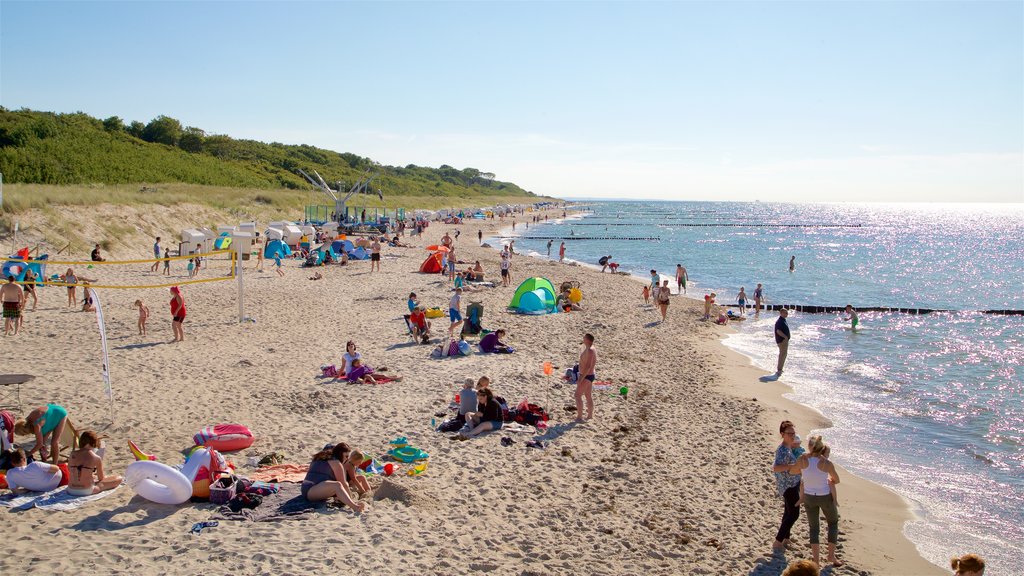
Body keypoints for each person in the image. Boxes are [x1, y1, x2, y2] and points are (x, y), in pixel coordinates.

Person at [797, 435, 842, 568]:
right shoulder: (825, 463)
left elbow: (795, 471)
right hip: (824, 496)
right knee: (833, 523)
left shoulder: (803, 459)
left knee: (814, 528)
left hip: (809, 497)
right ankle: (831, 555)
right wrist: (830, 481)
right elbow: (837, 480)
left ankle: (816, 561)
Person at [300, 443, 365, 512]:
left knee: (337, 486)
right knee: (337, 485)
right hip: (311, 492)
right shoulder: (336, 463)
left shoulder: (321, 457)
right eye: (346, 456)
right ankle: (355, 507)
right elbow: (344, 484)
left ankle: (343, 500)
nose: (347, 459)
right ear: (340, 454)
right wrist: (351, 499)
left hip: (306, 488)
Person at [772, 420, 802, 552]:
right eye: (789, 433)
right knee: (794, 514)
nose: (792, 435)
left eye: (793, 433)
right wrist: (791, 467)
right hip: (788, 486)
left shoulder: (789, 446)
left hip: (793, 483)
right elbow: (776, 468)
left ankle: (786, 538)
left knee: (788, 512)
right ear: (782, 434)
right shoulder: (783, 450)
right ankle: (778, 541)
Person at [66, 430, 122, 496]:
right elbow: (101, 478)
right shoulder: (96, 458)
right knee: (118, 478)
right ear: (94, 442)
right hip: (86, 490)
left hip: (71, 489)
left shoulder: (72, 454)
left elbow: (70, 470)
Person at [576, 333, 597, 421]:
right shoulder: (588, 348)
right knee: (588, 395)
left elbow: (588, 366)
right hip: (589, 375)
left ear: (588, 340)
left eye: (584, 338)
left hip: (587, 375)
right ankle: (590, 416)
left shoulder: (591, 350)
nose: (583, 339)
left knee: (577, 395)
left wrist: (581, 378)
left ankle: (579, 417)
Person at [775, 309, 791, 377]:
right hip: (782, 341)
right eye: (785, 313)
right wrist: (785, 337)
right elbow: (778, 331)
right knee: (782, 354)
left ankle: (780, 368)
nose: (786, 314)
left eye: (787, 313)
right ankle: (779, 369)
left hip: (784, 340)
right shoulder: (780, 321)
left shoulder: (783, 320)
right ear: (781, 313)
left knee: (783, 354)